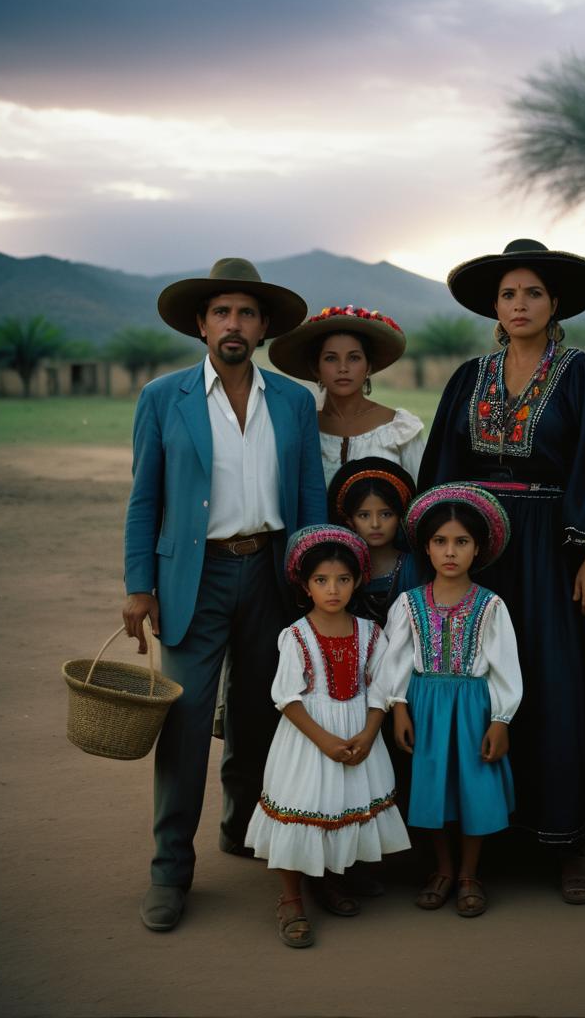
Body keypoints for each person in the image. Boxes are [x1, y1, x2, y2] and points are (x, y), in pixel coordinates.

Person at [419, 239, 585, 904]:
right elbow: (443, 472)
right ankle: (486, 834)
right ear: (494, 308)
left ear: (556, 303)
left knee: (561, 683)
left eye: (531, 292)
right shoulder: (469, 379)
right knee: (481, 684)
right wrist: (442, 555)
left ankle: (572, 839)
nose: (519, 304)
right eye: (508, 294)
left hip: (560, 554)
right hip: (481, 556)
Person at [122, 257, 327, 932]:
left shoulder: (294, 401)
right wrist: (138, 586)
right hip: (194, 575)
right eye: (220, 312)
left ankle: (243, 828)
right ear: (201, 326)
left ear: (264, 326)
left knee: (261, 713)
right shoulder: (164, 398)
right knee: (185, 724)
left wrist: (315, 576)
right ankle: (168, 872)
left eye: (245, 312)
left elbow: (308, 497)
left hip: (274, 568)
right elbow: (145, 497)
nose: (232, 324)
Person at [244, 525, 410, 948]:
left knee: (340, 806)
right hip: (308, 739)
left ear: (356, 582)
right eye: (321, 580)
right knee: (304, 808)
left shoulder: (371, 633)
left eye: (342, 580)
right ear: (305, 584)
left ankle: (330, 882)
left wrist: (370, 734)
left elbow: (381, 687)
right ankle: (291, 898)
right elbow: (285, 695)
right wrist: (324, 741)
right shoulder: (295, 636)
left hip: (359, 733)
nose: (333, 589)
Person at [377, 483, 522, 918]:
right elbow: (393, 659)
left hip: (475, 708)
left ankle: (469, 874)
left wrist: (501, 719)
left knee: (474, 788)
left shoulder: (491, 606)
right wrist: (398, 705)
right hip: (425, 706)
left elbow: (505, 668)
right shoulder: (408, 604)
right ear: (427, 547)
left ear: (478, 549)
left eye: (461, 542)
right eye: (440, 541)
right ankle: (441, 868)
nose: (450, 552)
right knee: (433, 787)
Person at [268, 304, 425, 484]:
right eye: (331, 358)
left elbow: (422, 500)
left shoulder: (400, 430)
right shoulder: (302, 428)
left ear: (369, 366)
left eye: (354, 357)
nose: (343, 368)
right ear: (316, 368)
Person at [326, 456, 420, 626]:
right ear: (350, 521)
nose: (375, 524)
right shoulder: (342, 569)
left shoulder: (415, 569)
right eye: (364, 515)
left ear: (400, 517)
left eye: (386, 514)